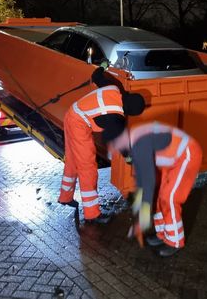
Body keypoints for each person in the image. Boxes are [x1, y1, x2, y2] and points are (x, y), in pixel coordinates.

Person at [58, 67, 145, 223]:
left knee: (72, 160)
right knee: (88, 167)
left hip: (71, 113)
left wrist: (102, 67)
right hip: (79, 123)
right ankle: (92, 214)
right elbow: (115, 137)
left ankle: (65, 197)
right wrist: (128, 156)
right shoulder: (114, 116)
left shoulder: (114, 88)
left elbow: (96, 76)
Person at [104, 121, 202, 257]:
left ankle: (175, 242)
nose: (114, 150)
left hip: (187, 155)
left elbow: (148, 183)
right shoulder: (134, 141)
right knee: (160, 197)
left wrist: (142, 220)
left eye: (113, 146)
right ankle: (163, 234)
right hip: (173, 159)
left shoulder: (140, 143)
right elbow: (141, 183)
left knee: (170, 198)